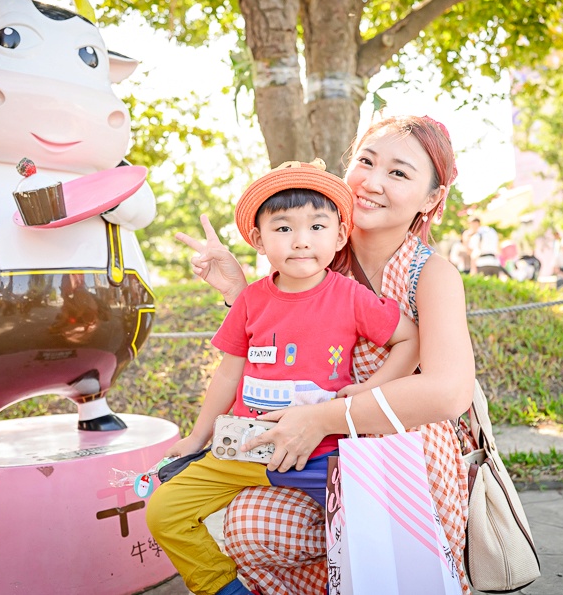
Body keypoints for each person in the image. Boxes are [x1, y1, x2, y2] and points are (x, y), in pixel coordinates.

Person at [176, 115, 476, 594]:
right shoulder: (315, 255)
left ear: (431, 199)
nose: (373, 182)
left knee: (392, 563)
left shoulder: (431, 274)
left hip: (400, 449)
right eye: (366, 161)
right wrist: (239, 292)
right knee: (249, 526)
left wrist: (326, 417)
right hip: (311, 448)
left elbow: (448, 390)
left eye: (399, 173)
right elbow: (274, 334)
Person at [148, 160, 421, 595]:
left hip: (322, 456)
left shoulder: (350, 296)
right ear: (258, 239)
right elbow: (228, 373)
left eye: (316, 227)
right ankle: (227, 590)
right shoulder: (251, 300)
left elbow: (409, 340)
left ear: (339, 235)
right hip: (244, 450)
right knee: (164, 512)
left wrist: (370, 390)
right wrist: (196, 438)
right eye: (282, 229)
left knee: (374, 528)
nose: (300, 241)